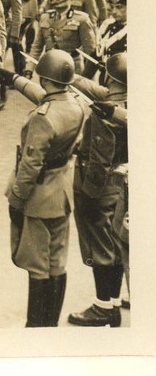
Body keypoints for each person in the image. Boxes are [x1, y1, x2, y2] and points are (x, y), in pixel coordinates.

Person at [0, 49, 88, 327]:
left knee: (37, 265)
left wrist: (16, 199)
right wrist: (13, 79)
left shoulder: (42, 118)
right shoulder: (77, 103)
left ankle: (35, 326)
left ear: (44, 77)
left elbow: (30, 166)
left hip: (38, 197)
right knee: (57, 261)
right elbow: (46, 97)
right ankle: (51, 324)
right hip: (61, 191)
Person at [65, 52, 128, 327]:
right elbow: (94, 88)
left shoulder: (105, 115)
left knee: (100, 248)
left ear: (110, 78)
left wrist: (89, 194)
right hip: (120, 184)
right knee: (113, 244)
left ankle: (103, 307)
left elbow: (99, 158)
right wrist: (72, 76)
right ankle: (113, 302)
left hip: (100, 186)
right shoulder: (128, 104)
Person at [30, 0, 96, 75]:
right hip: (50, 66)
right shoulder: (45, 18)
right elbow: (37, 47)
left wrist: (86, 76)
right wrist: (29, 70)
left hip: (73, 68)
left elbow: (90, 51)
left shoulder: (81, 19)